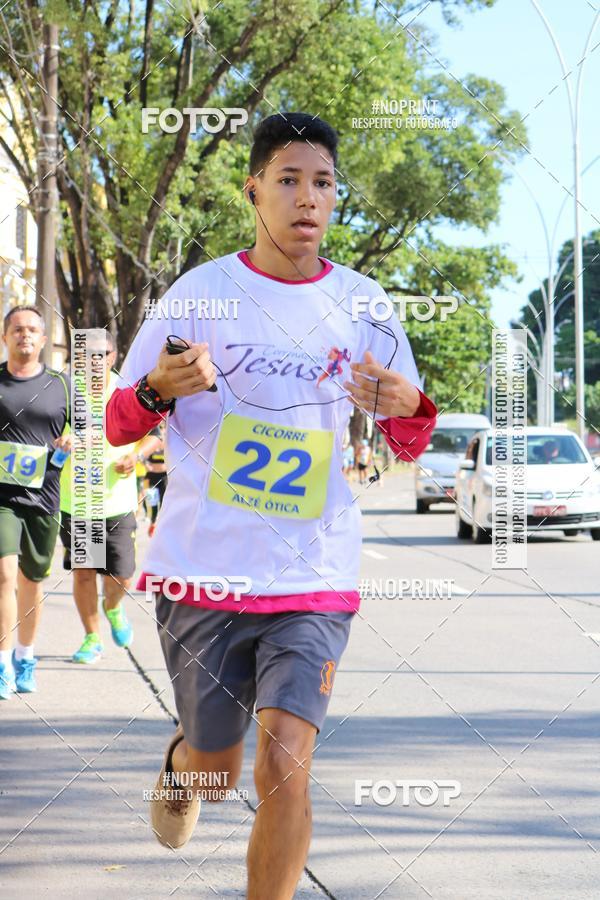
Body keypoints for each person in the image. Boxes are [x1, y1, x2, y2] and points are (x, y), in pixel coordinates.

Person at [105, 112, 437, 899]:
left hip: (312, 572)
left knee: (286, 758)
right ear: (254, 190)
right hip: (205, 570)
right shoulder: (202, 293)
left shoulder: (363, 304)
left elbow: (412, 437)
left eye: (322, 182)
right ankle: (185, 764)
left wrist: (408, 405)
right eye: (288, 179)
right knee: (218, 774)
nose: (307, 197)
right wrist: (158, 388)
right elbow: (118, 421)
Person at [59, 332, 160, 664]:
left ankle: (113, 607)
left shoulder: (127, 390)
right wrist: (62, 441)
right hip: (79, 500)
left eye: (101, 354)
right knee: (84, 572)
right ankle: (92, 638)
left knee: (122, 576)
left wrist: (136, 456)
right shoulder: (67, 390)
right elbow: (47, 428)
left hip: (118, 501)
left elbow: (155, 435)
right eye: (88, 354)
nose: (94, 360)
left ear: (114, 357)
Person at [0, 306, 71, 698]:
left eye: (31, 330)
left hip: (44, 496)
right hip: (2, 498)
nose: (24, 335)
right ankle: (3, 664)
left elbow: (90, 429)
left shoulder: (62, 385)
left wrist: (74, 439)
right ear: (5, 337)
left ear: (43, 339)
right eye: (17, 329)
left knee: (31, 579)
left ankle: (25, 656)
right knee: (4, 574)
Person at [143, 422, 167, 537]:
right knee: (152, 504)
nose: (161, 431)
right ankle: (153, 524)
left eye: (162, 428)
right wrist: (146, 464)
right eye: (159, 428)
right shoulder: (151, 444)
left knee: (164, 503)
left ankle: (162, 528)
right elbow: (141, 455)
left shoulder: (168, 444)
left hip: (164, 477)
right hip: (151, 477)